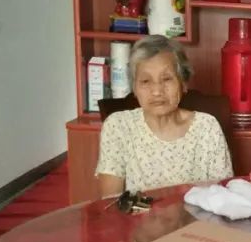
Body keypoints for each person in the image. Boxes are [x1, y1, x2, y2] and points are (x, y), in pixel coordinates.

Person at [96, 35, 233, 196]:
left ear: (183, 84)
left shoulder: (207, 127)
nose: (157, 91)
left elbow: (223, 200)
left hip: (195, 213)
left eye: (167, 79)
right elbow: (111, 202)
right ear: (134, 88)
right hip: (137, 213)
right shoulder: (118, 126)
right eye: (146, 81)